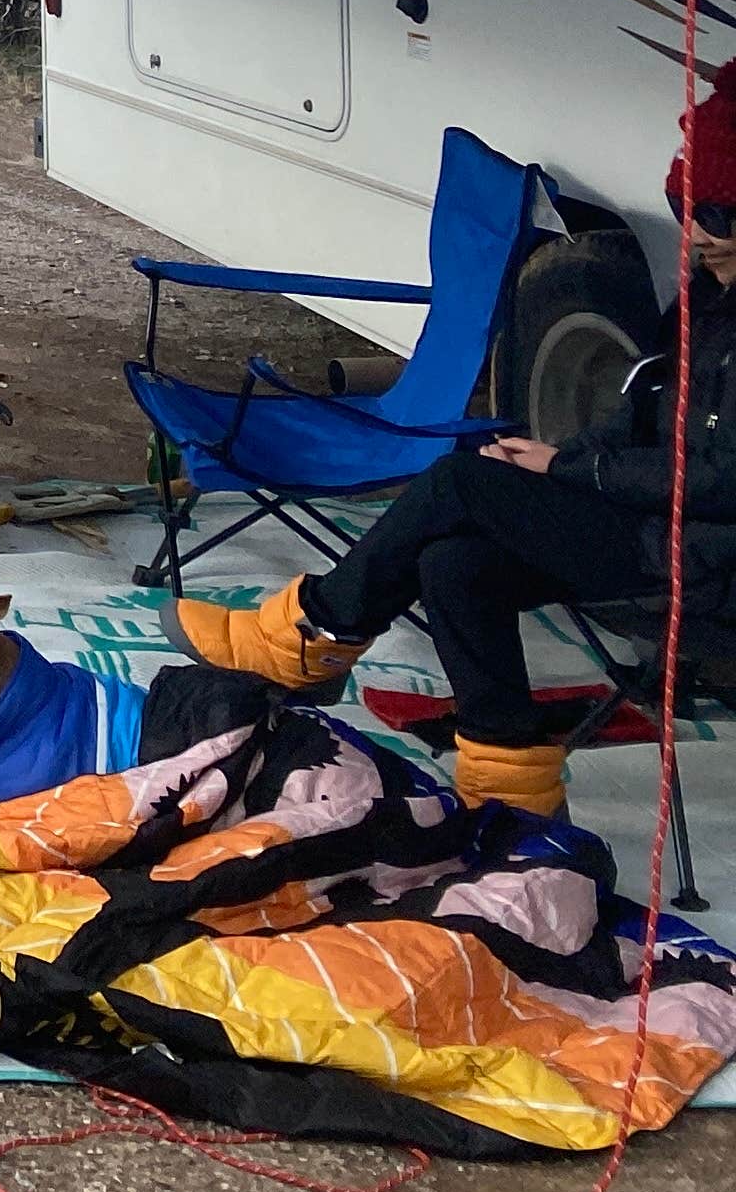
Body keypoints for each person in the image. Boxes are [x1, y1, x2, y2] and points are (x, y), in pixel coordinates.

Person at [170, 76, 736, 814]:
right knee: (454, 562)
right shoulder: (706, 299)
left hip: (709, 559)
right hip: (657, 529)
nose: (694, 233)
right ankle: (511, 791)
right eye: (684, 207)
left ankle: (316, 630)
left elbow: (723, 481)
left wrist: (569, 466)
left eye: (715, 215)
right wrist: (550, 463)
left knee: (457, 483)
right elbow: (637, 410)